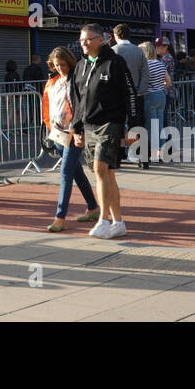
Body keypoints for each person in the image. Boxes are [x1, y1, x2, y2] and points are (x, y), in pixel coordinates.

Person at [70, 23, 139, 240]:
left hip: (110, 123)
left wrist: (134, 126)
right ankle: (119, 222)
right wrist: (77, 128)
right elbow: (77, 100)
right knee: (107, 173)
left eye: (89, 39)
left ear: (102, 39)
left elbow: (130, 95)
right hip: (89, 125)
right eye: (82, 40)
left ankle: (103, 220)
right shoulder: (80, 66)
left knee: (100, 169)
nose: (84, 43)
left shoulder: (115, 63)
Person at [42, 45, 99, 232]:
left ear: (70, 62)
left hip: (74, 132)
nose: (59, 68)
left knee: (66, 173)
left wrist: (78, 130)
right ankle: (92, 207)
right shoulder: (55, 81)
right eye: (56, 65)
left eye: (63, 64)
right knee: (76, 172)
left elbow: (81, 106)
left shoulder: (76, 79)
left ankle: (60, 217)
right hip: (58, 132)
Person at [138, 42, 172, 167]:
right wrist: (160, 87)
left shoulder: (145, 65)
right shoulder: (160, 64)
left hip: (149, 97)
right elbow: (168, 81)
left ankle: (154, 155)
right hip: (161, 96)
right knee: (160, 126)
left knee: (151, 128)